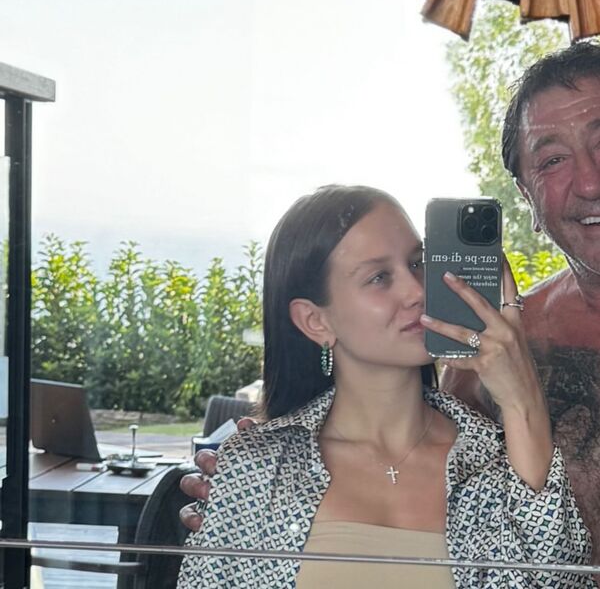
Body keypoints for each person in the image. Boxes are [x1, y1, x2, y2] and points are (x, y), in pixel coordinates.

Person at [177, 185, 593, 588]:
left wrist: (522, 400)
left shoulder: (496, 461)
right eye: (379, 277)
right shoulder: (257, 468)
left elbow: (557, 581)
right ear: (315, 321)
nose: (417, 290)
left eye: (417, 262)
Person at [441, 41, 600, 565]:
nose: (590, 181)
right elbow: (423, 491)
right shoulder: (499, 345)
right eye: (553, 160)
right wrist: (289, 461)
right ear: (527, 195)